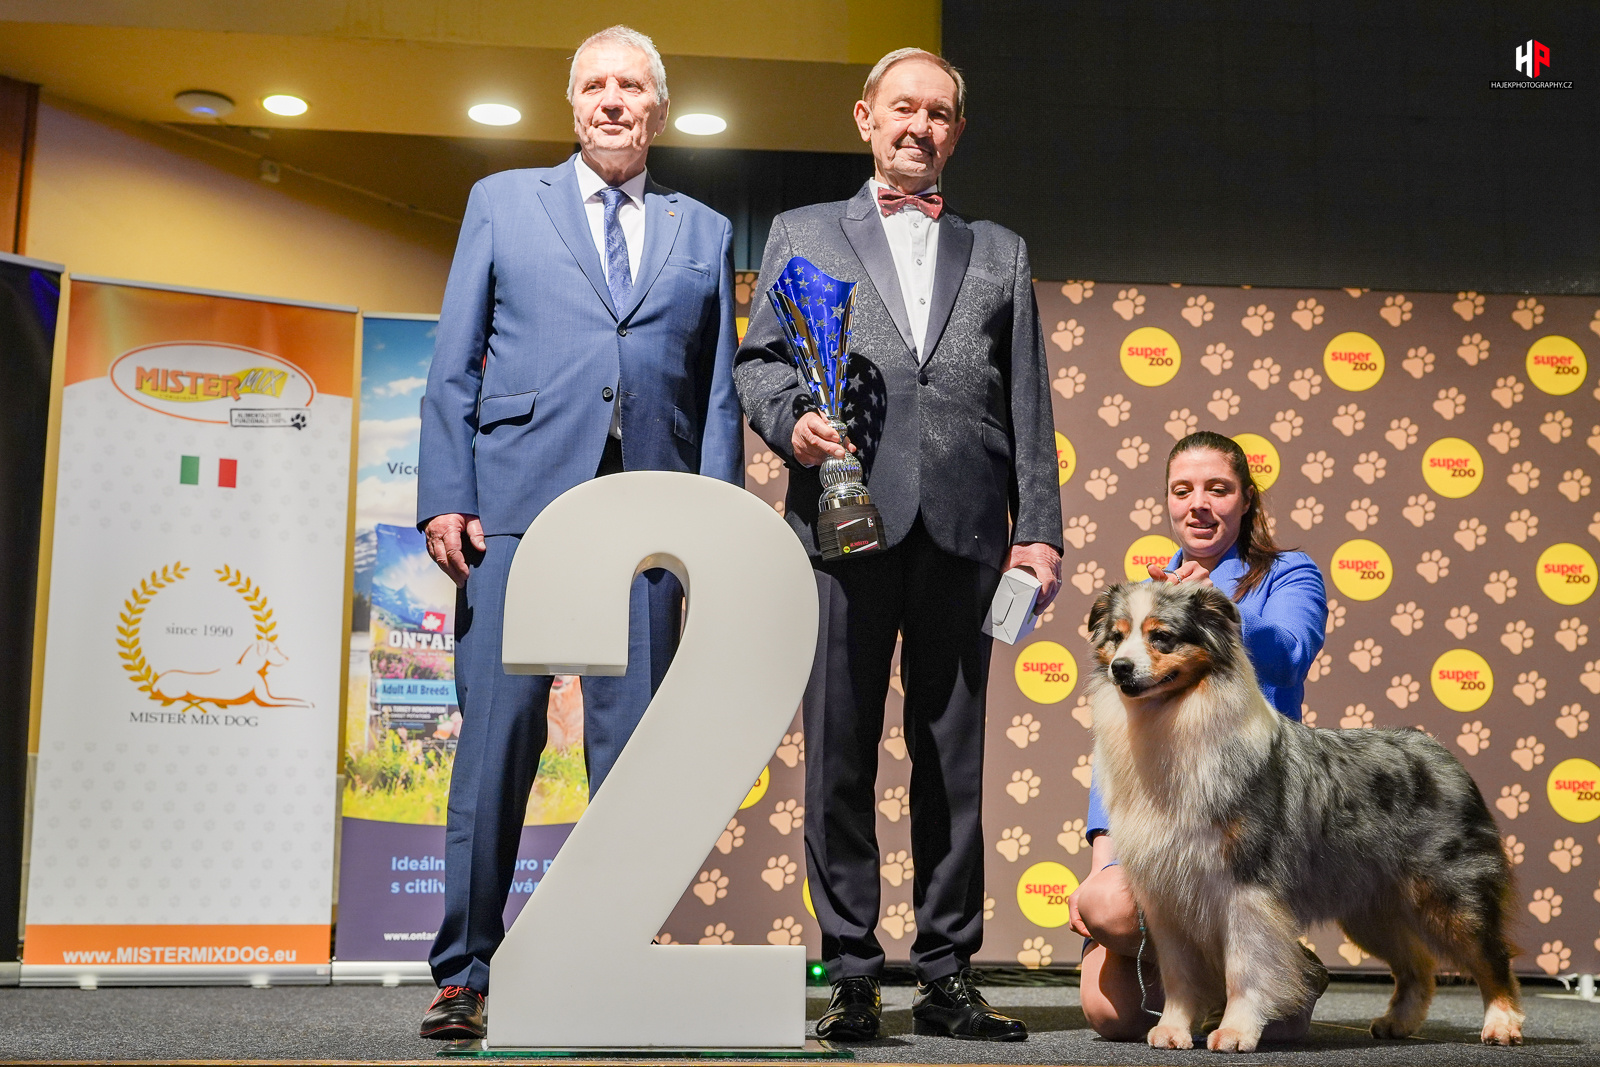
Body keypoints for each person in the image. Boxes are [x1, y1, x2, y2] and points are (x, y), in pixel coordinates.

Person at [414, 25, 742, 1040]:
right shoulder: (502, 201)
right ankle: (465, 972)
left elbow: (718, 394)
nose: (611, 100)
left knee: (633, 756)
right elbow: (454, 361)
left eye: (631, 86)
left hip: (649, 520)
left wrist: (716, 533)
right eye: (595, 84)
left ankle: (611, 966)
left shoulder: (705, 229)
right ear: (572, 105)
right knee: (496, 745)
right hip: (513, 509)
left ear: (659, 110)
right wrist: (445, 493)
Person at [735, 48, 1062, 1043]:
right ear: (865, 117)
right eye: (903, 108)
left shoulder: (1001, 250)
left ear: (956, 131)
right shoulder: (800, 232)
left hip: (966, 530)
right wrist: (790, 422)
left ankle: (947, 971)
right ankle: (852, 971)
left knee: (951, 760)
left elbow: (1029, 399)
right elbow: (759, 361)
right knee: (838, 752)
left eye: (940, 113)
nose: (920, 125)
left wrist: (1038, 532)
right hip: (840, 524)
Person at [1068, 430, 1329, 1042]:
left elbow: (1290, 654)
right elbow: (1119, 743)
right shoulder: (1144, 594)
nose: (1199, 504)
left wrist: (1215, 605)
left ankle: (1274, 966)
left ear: (1246, 498)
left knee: (1279, 1031)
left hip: (1240, 813)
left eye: (1218, 488)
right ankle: (1193, 976)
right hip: (1156, 827)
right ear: (1167, 500)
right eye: (1182, 490)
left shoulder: (1288, 574)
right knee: (1112, 1009)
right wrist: (1103, 858)